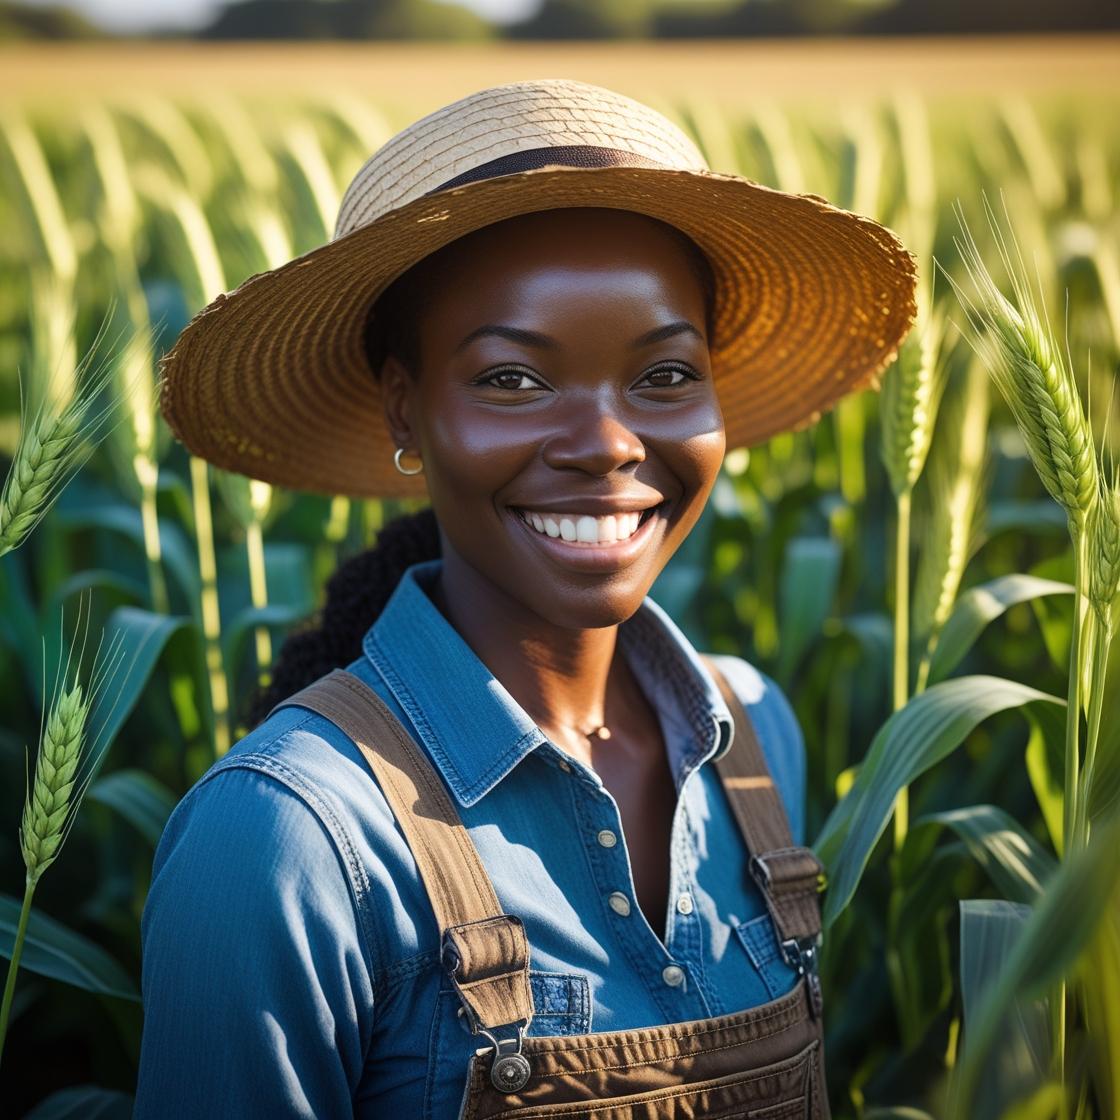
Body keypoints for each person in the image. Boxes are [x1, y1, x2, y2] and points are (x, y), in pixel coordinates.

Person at [136, 78, 916, 1118]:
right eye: (512, 378)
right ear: (406, 410)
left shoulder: (756, 737)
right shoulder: (287, 838)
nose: (607, 442)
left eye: (667, 374)